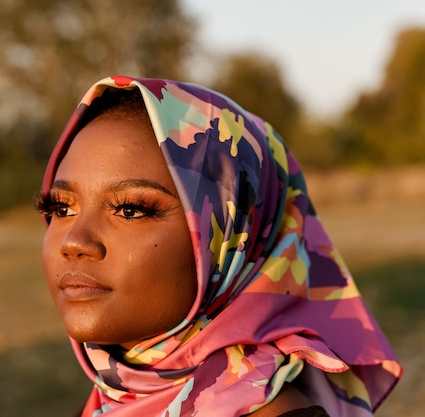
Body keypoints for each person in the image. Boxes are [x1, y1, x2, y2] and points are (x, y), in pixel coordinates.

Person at [35, 76, 402, 416]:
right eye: (61, 207)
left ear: (230, 238)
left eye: (130, 210)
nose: (74, 242)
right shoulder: (117, 396)